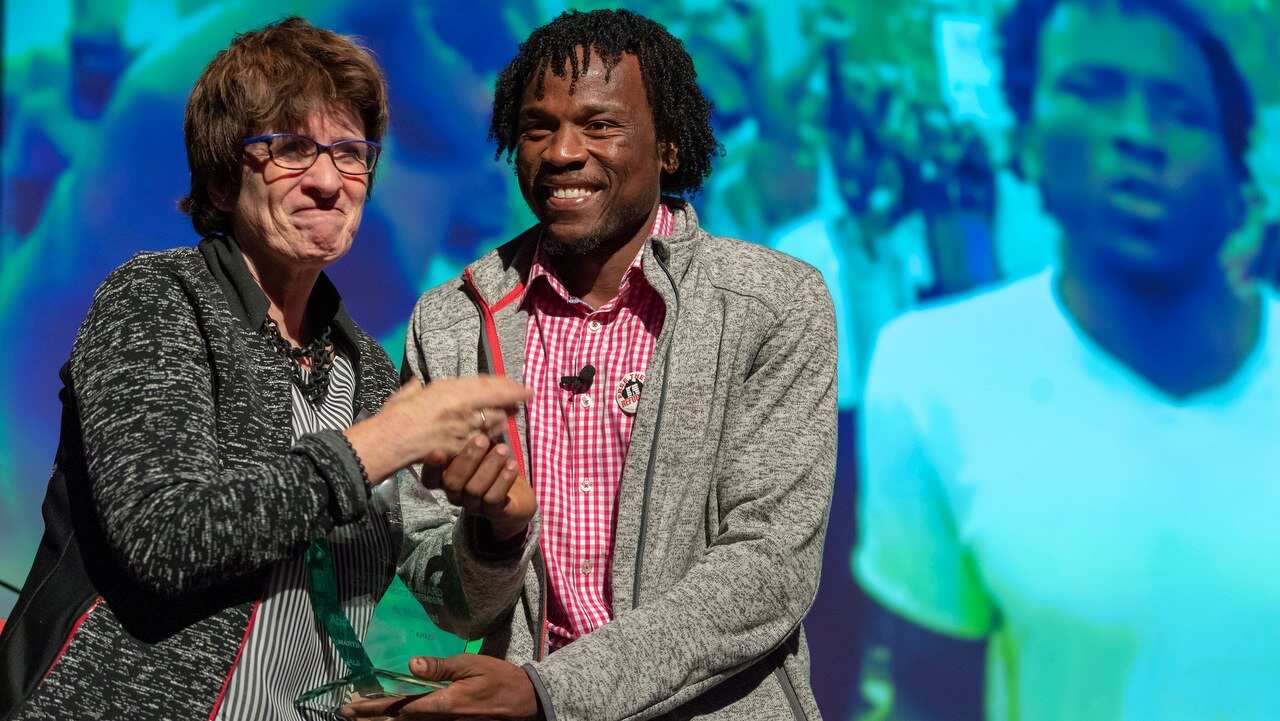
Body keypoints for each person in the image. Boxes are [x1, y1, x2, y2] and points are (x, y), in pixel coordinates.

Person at [0, 17, 529, 721]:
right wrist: (379, 444)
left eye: (350, 153)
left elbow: (450, 601)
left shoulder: (368, 369)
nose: (327, 180)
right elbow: (167, 534)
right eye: (290, 150)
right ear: (220, 183)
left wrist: (498, 529)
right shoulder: (159, 299)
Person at [346, 9, 837, 721]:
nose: (562, 152)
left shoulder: (772, 303)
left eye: (600, 125)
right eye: (538, 127)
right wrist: (493, 535)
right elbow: (447, 601)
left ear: (668, 147)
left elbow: (767, 571)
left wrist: (553, 692)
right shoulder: (451, 320)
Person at [855, 1, 1280, 719]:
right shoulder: (935, 372)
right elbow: (928, 692)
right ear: (1023, 141)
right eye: (1090, 90)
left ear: (1237, 173)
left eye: (1179, 110)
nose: (1138, 134)